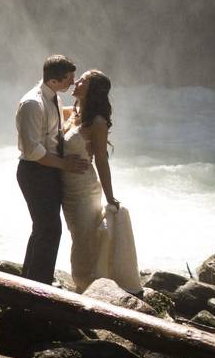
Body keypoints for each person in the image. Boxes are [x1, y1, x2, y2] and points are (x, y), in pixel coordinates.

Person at [60, 69, 140, 295]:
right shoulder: (74, 113)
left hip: (84, 189)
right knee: (78, 235)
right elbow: (49, 111)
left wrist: (110, 196)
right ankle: (87, 285)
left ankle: (85, 288)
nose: (76, 82)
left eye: (83, 80)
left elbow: (102, 161)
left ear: (92, 90)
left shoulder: (97, 122)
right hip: (67, 188)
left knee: (83, 239)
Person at [15, 55, 90, 285]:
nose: (73, 83)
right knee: (50, 228)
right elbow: (33, 150)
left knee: (43, 228)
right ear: (54, 81)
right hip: (34, 171)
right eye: (69, 79)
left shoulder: (53, 97)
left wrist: (89, 109)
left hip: (48, 171)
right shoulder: (32, 104)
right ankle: (39, 285)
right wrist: (65, 164)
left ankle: (29, 281)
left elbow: (59, 120)